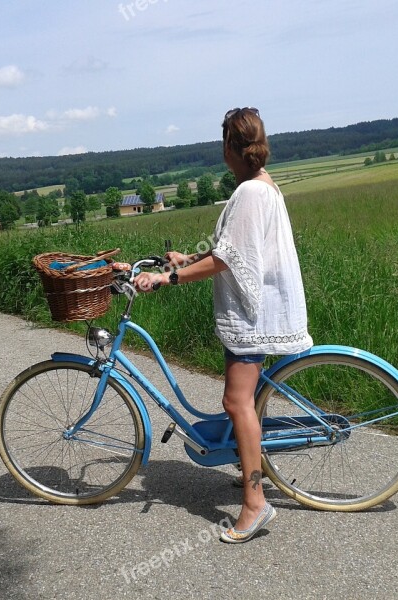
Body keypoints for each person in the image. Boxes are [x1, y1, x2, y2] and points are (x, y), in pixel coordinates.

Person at [134, 107, 313, 543]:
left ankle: (255, 504)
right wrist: (188, 259)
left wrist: (167, 277)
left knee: (236, 403)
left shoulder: (250, 192)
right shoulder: (261, 185)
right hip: (260, 309)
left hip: (253, 316)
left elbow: (230, 259)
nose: (222, 151)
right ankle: (251, 466)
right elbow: (236, 250)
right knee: (244, 400)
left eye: (223, 143)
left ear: (231, 147)